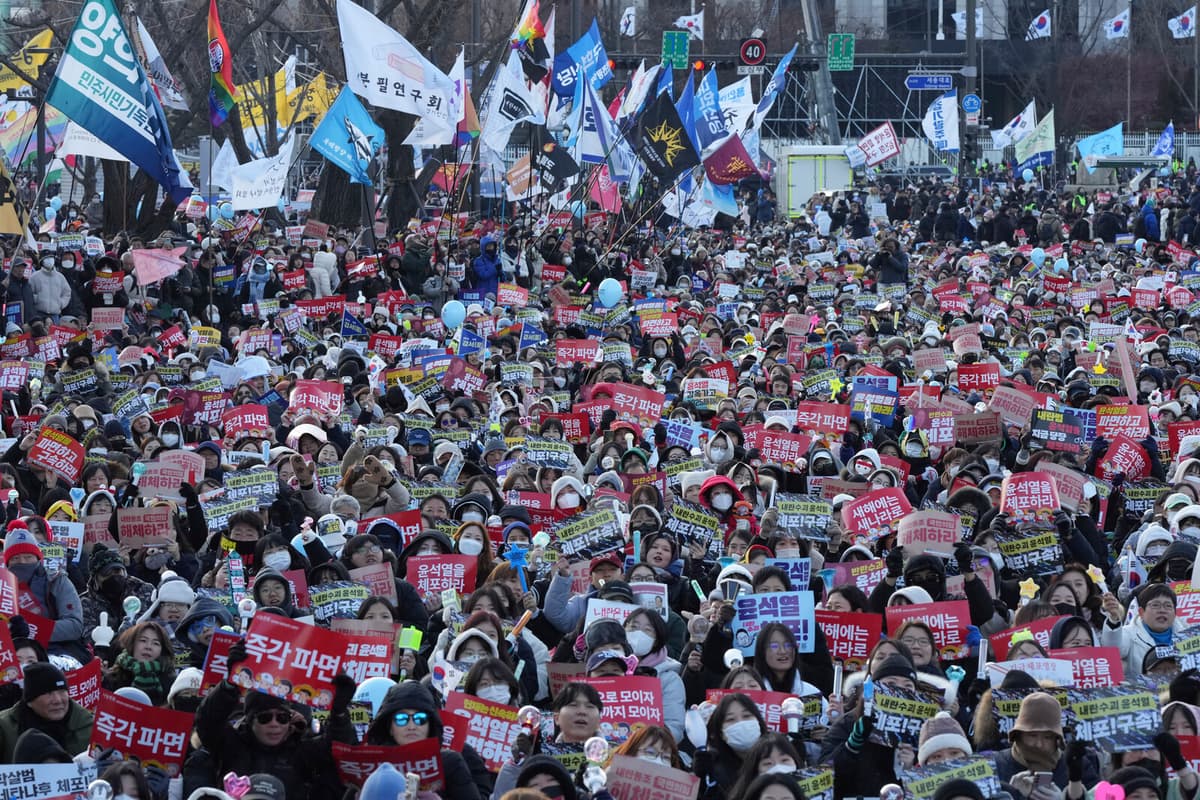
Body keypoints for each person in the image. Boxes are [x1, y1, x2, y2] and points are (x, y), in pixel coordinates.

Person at [0, 662, 92, 761]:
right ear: (30, 701)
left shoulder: (88, 725)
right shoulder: (5, 726)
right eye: (48, 693)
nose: (57, 700)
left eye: (62, 692)